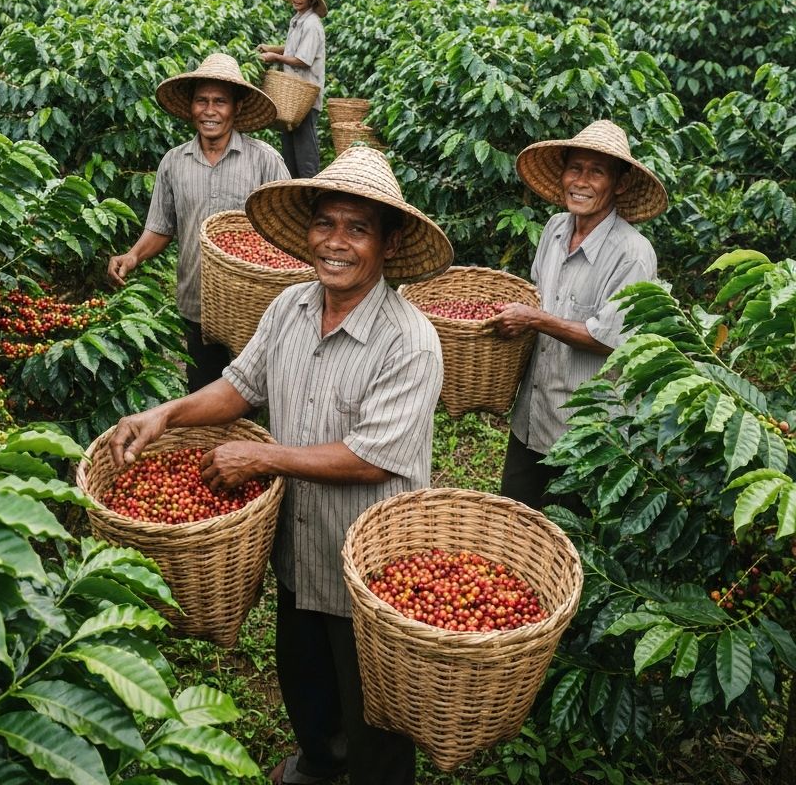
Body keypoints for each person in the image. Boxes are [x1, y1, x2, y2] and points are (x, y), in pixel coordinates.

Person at [96, 147, 453, 785]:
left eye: (357, 229)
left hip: (369, 562)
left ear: (389, 244)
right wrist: (167, 415)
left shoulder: (410, 341)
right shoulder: (289, 307)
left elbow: (373, 458)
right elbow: (238, 385)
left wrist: (261, 454)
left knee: (376, 711)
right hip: (300, 545)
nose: (335, 243)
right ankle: (319, 763)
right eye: (325, 224)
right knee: (304, 678)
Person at [491, 119, 668, 511]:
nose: (581, 181)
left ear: (619, 184)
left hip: (585, 433)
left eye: (596, 172)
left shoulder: (632, 254)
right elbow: (537, 299)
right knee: (513, 523)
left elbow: (609, 338)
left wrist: (535, 320)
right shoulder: (554, 229)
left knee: (568, 543)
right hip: (532, 417)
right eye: (575, 168)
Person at [107, 52, 289, 392]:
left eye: (220, 101)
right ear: (190, 107)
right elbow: (161, 227)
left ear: (236, 108)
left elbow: (285, 235)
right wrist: (132, 256)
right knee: (203, 393)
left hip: (250, 304)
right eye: (201, 101)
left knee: (249, 397)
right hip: (197, 301)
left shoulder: (265, 161)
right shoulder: (174, 163)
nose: (210, 110)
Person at [258, 0, 327, 179]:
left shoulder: (312, 25)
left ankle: (310, 193)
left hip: (305, 96)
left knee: (305, 154)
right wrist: (272, 48)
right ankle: (292, 192)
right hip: (292, 97)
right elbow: (292, 49)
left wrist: (274, 58)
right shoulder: (298, 20)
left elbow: (303, 59)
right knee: (290, 151)